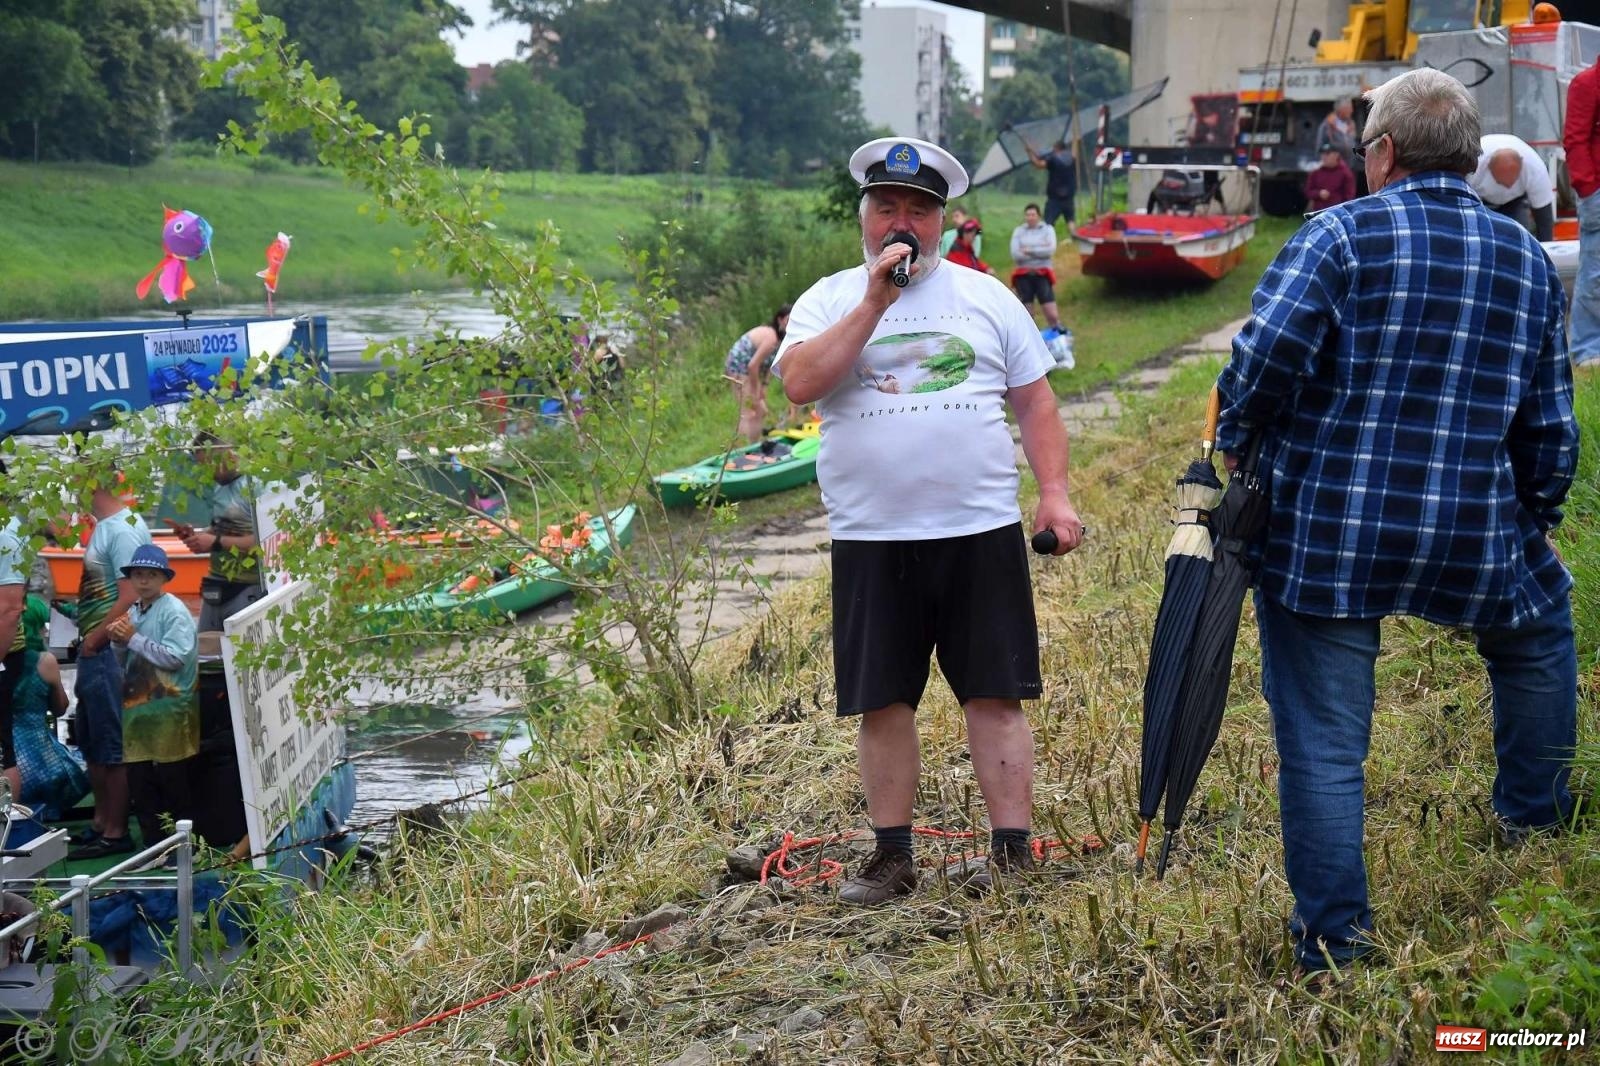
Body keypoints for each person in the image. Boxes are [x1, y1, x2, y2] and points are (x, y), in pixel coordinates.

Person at [1216, 68, 1579, 973]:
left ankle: (1334, 943)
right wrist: (1533, 515)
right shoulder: (1525, 258)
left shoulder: (1336, 235)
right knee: (1539, 631)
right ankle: (1534, 821)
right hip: (1472, 526)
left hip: (1329, 534)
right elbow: (1549, 424)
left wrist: (1236, 436)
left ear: (1380, 153)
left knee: (1327, 743)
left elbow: (1264, 362)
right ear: (1467, 158)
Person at [774, 136, 1084, 905]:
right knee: (883, 699)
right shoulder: (827, 298)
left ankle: (1012, 852)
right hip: (873, 536)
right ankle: (892, 858)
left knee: (994, 692)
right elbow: (801, 384)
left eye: (918, 209)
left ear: (941, 222)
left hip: (976, 528)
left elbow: (1036, 402)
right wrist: (874, 301)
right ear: (865, 218)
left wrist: (1055, 492)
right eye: (887, 208)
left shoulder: (986, 297)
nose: (901, 222)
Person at [69, 479, 152, 859]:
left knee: (110, 740)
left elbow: (132, 592)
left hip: (109, 650)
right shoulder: (106, 525)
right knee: (89, 737)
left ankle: (117, 831)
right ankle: (101, 821)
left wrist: (96, 638)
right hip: (94, 645)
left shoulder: (121, 529)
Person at [107, 543, 198, 850]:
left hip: (170, 707)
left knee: (175, 781)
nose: (144, 580)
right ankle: (152, 847)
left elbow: (176, 658)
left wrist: (132, 638)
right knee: (140, 781)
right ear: (131, 578)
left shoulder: (173, 611)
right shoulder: (134, 611)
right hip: (138, 709)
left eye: (151, 574)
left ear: (163, 578)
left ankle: (186, 848)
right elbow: (125, 660)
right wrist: (119, 641)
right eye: (138, 574)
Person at [174, 434, 264, 632]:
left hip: (248, 585)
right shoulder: (219, 487)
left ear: (230, 456)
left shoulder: (257, 486)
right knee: (207, 652)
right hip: (215, 582)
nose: (207, 473)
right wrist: (198, 538)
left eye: (209, 465)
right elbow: (222, 528)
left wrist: (215, 542)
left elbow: (264, 541)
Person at [10, 611, 88, 822]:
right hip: (45, 762)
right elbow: (60, 708)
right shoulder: (45, 661)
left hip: (7, 761)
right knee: (87, 763)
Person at [1564, 49, 1600, 368]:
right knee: (1595, 273)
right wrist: (1589, 189)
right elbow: (1575, 140)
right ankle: (1588, 352)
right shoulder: (1587, 83)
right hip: (1597, 193)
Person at [1467, 133, 1555, 241]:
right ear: (1489, 167)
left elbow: (1544, 220)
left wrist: (1545, 251)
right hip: (1479, 201)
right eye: (1501, 183)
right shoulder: (1472, 165)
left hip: (1516, 201)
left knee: (1521, 238)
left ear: (1522, 166)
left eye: (1512, 183)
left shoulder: (1535, 169)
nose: (1507, 188)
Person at [723, 306, 792, 442]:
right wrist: (756, 389)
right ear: (780, 320)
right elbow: (752, 365)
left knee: (760, 411)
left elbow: (769, 366)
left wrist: (764, 387)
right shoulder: (771, 338)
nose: (791, 323)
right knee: (751, 410)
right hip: (739, 367)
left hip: (746, 369)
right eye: (788, 320)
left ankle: (751, 444)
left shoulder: (779, 342)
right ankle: (748, 447)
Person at [0, 497, 30, 802]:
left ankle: (5, 836)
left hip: (4, 652)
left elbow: (10, 608)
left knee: (1, 748)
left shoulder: (4, 535)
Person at [1010, 204, 1062, 331]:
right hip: (1023, 275)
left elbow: (1050, 251)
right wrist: (1040, 249)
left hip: (1042, 274)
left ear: (1039, 216)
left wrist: (1028, 250)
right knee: (1027, 315)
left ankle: (1058, 336)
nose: (1030, 217)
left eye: (1033, 215)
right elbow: (1016, 254)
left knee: (1052, 314)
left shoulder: (1048, 229)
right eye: (1028, 215)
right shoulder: (1019, 231)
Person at [1023, 138, 1077, 228]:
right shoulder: (1071, 158)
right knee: (1070, 221)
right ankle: (1076, 240)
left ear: (1056, 148)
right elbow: (1040, 156)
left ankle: (1048, 241)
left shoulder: (1054, 159)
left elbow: (1038, 164)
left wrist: (1029, 153)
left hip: (1055, 199)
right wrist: (1076, 141)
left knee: (1048, 224)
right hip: (1069, 198)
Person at [1304, 140, 1356, 209]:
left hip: (1337, 211)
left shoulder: (1345, 173)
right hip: (1318, 211)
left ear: (1336, 155)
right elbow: (1308, 191)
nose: (1324, 157)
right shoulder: (1316, 171)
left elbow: (1349, 196)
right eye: (1322, 154)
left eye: (1327, 154)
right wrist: (1318, 193)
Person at [1317, 97, 1358, 173]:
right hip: (1332, 171)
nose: (1352, 111)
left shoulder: (1350, 124)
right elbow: (1320, 147)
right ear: (1341, 110)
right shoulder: (1327, 125)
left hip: (1349, 168)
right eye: (1349, 108)